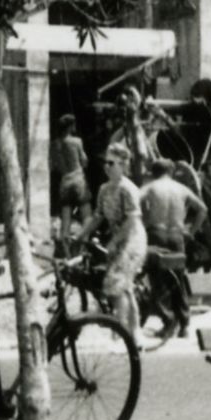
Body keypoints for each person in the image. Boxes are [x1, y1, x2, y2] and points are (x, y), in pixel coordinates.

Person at [139, 155, 206, 339]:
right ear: (171, 172)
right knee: (178, 280)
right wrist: (191, 231)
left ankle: (168, 322)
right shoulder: (181, 188)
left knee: (158, 280)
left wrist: (144, 219)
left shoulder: (150, 187)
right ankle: (184, 324)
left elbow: (135, 201)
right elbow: (202, 209)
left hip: (156, 235)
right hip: (177, 237)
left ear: (154, 173)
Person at [89, 141, 146, 341]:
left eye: (111, 163)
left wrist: (114, 242)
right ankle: (135, 333)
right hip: (117, 240)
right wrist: (80, 236)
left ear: (123, 165)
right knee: (125, 287)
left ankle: (119, 334)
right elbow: (97, 216)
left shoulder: (128, 189)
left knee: (117, 284)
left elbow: (132, 220)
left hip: (132, 240)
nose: (107, 167)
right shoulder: (104, 189)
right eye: (105, 163)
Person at [53, 113, 90, 241]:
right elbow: (84, 161)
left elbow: (54, 166)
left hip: (65, 182)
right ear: (69, 127)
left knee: (66, 216)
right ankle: (86, 242)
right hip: (78, 180)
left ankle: (64, 245)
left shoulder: (55, 144)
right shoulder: (77, 141)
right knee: (86, 213)